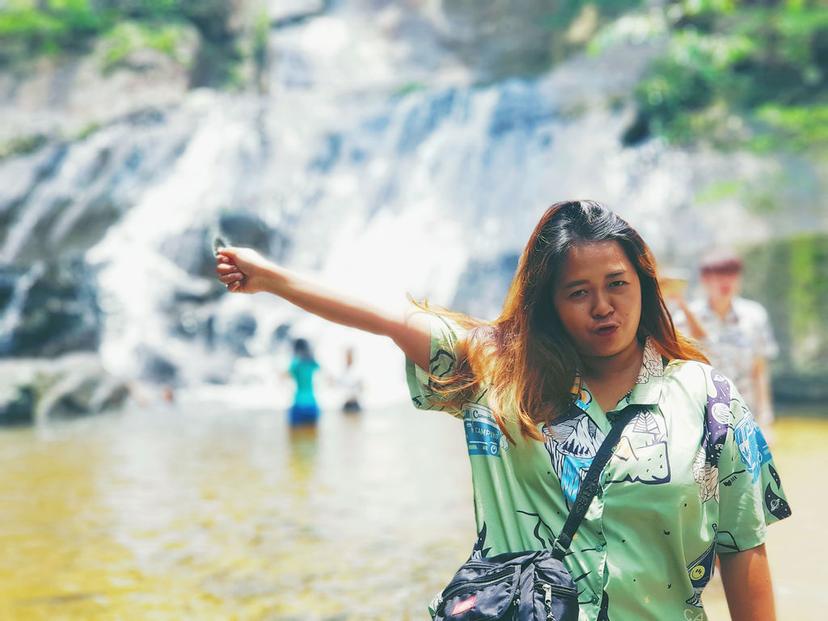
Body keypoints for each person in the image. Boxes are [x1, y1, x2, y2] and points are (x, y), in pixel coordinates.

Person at [215, 200, 790, 621]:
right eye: (577, 292)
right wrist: (275, 280)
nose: (603, 307)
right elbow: (390, 318)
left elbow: (743, 548)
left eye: (617, 283)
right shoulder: (502, 372)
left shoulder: (709, 400)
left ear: (644, 283)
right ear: (549, 303)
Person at [669, 249, 779, 441]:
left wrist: (765, 415)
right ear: (704, 280)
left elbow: (759, 370)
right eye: (718, 275)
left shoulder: (754, 316)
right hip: (701, 417)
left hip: (746, 415)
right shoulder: (684, 319)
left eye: (732, 273)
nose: (725, 281)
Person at [286, 338, 321, 426]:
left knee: (295, 436)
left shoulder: (295, 363)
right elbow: (319, 367)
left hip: (299, 405)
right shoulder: (311, 363)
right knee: (312, 435)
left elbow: (288, 373)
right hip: (312, 405)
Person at [339, 346, 363, 413]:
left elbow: (362, 388)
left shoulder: (358, 370)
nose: (348, 358)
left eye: (349, 356)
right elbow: (340, 385)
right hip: (346, 403)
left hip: (355, 403)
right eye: (347, 356)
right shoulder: (343, 372)